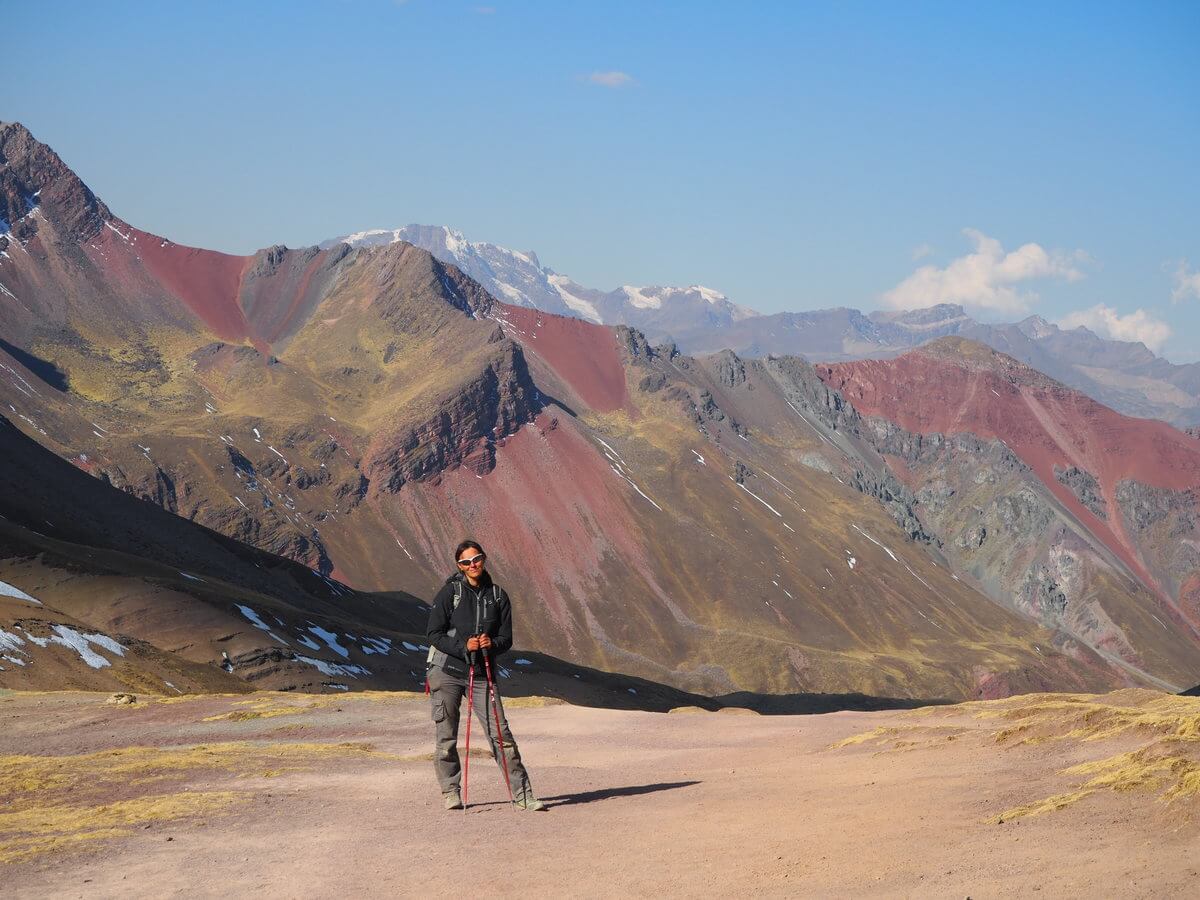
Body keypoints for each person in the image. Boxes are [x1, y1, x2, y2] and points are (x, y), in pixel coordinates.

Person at [426, 539, 545, 811]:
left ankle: (523, 795)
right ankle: (451, 792)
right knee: (446, 736)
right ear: (459, 566)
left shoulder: (499, 596)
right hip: (447, 671)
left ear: (484, 559)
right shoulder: (450, 593)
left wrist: (492, 644)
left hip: (481, 673)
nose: (472, 565)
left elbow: (506, 638)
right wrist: (462, 645)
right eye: (466, 562)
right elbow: (433, 633)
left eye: (476, 559)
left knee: (501, 735)